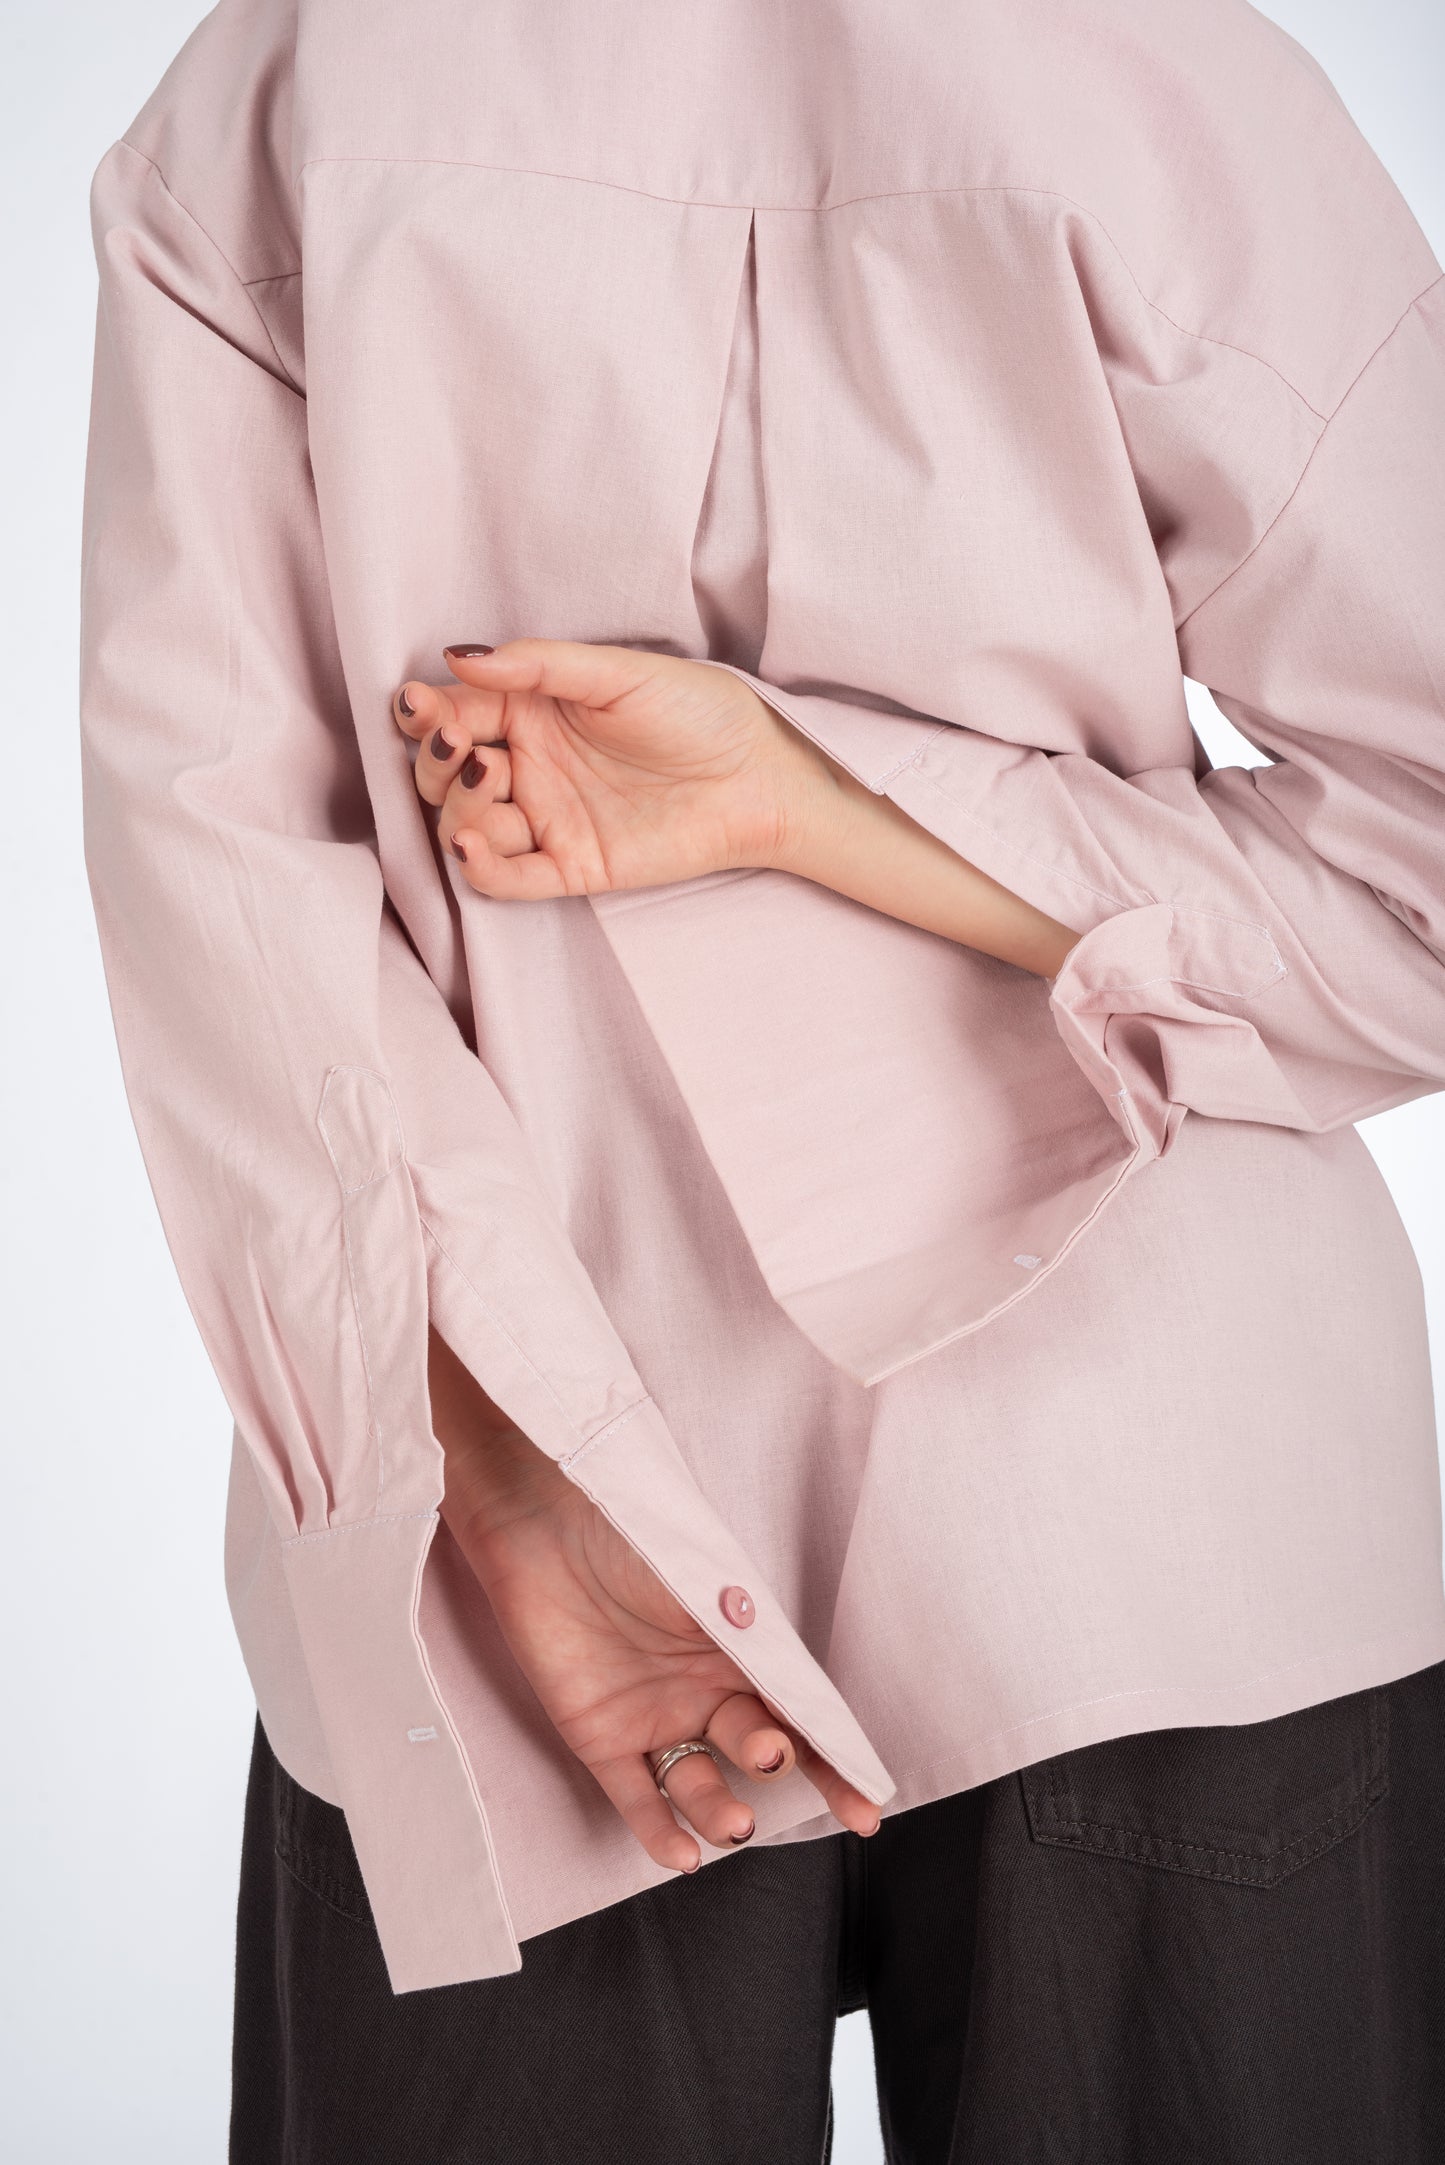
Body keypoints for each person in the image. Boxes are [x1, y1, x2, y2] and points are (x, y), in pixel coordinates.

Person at [78, 1, 1445, 2159]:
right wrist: (830, 803)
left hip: (514, 1580)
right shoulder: (1162, 74)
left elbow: (223, 898)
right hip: (1168, 1529)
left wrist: (495, 1474)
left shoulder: (279, 87)